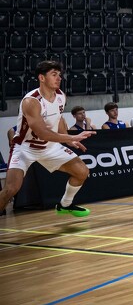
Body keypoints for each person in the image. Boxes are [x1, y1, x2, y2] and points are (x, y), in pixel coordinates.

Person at [0, 61, 95, 217]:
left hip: (50, 147)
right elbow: (42, 132)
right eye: (54, 74)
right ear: (42, 78)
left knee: (82, 172)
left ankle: (65, 205)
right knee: (11, 189)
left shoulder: (61, 96)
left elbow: (58, 119)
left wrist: (68, 140)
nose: (59, 78)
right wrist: (70, 136)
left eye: (59, 75)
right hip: (25, 148)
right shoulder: (31, 101)